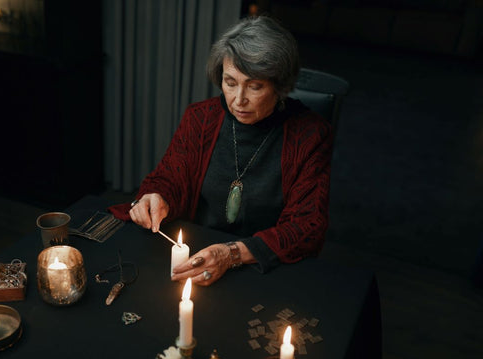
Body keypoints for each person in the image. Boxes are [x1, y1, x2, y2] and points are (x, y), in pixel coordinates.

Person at [109, 15, 332, 286]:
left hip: (265, 265)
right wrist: (157, 197)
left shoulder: (309, 135)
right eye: (230, 82)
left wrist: (231, 254)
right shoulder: (200, 119)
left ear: (280, 85)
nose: (239, 100)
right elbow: (168, 179)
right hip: (198, 254)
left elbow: (306, 228)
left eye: (255, 86)